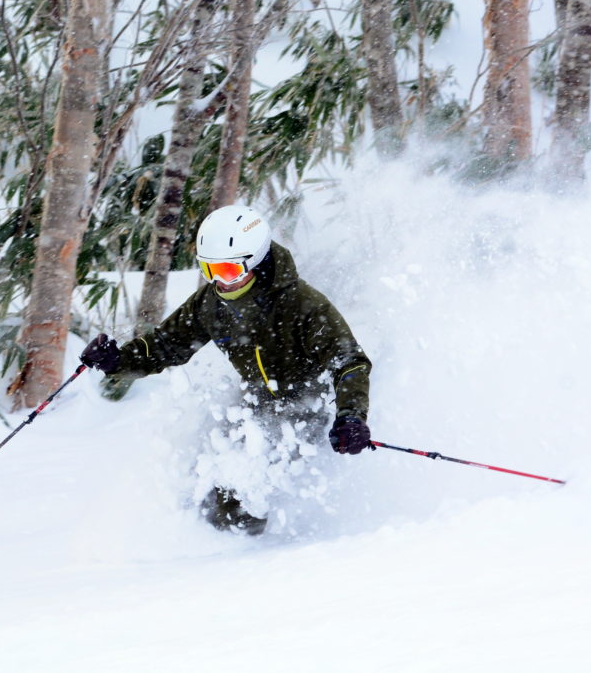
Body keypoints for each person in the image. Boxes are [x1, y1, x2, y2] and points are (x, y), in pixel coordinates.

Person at [80, 205, 372, 534]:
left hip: (307, 413)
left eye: (228, 270)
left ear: (255, 261)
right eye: (209, 269)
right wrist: (117, 361)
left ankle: (259, 558)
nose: (220, 280)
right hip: (257, 406)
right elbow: (166, 344)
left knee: (244, 495)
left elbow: (350, 361)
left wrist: (351, 415)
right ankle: (208, 545)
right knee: (203, 486)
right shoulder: (211, 303)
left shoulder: (303, 304)